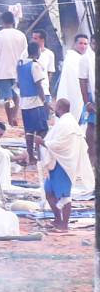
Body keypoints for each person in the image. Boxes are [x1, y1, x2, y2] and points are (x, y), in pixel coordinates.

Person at [35, 99, 95, 231]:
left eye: (56, 107)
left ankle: (64, 225)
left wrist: (43, 143)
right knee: (49, 191)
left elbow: (59, 144)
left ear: (60, 108)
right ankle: (57, 219)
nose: (54, 109)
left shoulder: (67, 124)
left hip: (64, 164)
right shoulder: (64, 122)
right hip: (56, 162)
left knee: (65, 195)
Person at [17, 42, 50, 163]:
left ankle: (31, 155)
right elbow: (38, 85)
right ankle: (39, 153)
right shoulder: (34, 66)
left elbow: (19, 84)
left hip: (24, 102)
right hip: (35, 102)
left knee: (29, 130)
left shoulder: (20, 65)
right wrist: (45, 101)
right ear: (37, 51)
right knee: (42, 129)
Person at [57, 34, 88, 126]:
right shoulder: (72, 58)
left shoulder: (83, 58)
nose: (83, 46)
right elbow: (74, 79)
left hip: (82, 96)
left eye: (85, 44)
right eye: (80, 43)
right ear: (75, 44)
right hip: (73, 94)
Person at [78, 34, 96, 167]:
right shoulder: (86, 59)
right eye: (94, 43)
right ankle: (92, 156)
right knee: (92, 125)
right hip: (92, 97)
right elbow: (82, 81)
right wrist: (87, 102)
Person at [31, 29, 56, 94]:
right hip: (30, 90)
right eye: (32, 38)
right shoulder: (25, 53)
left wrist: (46, 85)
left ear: (42, 40)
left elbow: (50, 72)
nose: (33, 40)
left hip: (44, 90)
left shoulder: (50, 54)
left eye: (35, 38)